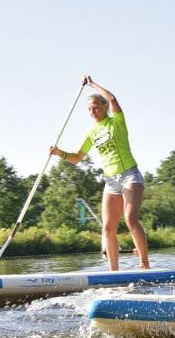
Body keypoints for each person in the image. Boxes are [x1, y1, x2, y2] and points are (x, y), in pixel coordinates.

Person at [50, 75, 150, 270]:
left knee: (130, 219)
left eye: (95, 107)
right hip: (110, 181)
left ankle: (144, 264)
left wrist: (92, 84)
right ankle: (113, 272)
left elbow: (112, 99)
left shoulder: (117, 121)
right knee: (107, 227)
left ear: (105, 107)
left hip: (129, 175)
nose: (92, 112)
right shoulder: (91, 132)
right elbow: (77, 158)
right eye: (89, 109)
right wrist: (58, 153)